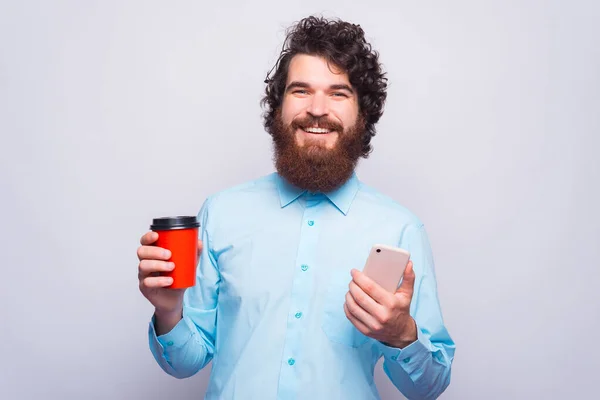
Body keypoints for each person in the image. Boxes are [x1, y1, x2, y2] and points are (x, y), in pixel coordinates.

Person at [137, 15, 455, 400]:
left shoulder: (400, 229)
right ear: (278, 108)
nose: (317, 109)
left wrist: (401, 335)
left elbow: (429, 388)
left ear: (363, 114)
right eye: (300, 91)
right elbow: (185, 362)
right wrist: (169, 311)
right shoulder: (221, 213)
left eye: (339, 93)